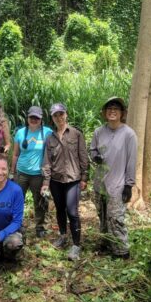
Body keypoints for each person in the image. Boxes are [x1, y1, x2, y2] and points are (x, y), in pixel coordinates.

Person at [90, 97, 137, 259]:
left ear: (122, 113)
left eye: (116, 108)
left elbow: (132, 161)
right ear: (104, 112)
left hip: (117, 184)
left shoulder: (129, 134)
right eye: (109, 108)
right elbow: (93, 150)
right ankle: (106, 243)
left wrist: (129, 186)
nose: (112, 111)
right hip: (100, 183)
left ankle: (121, 251)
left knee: (116, 218)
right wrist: (95, 157)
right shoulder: (98, 132)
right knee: (102, 216)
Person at [41, 103, 88, 261]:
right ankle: (63, 235)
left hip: (73, 179)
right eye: (55, 115)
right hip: (56, 180)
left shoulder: (76, 134)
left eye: (61, 114)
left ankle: (76, 245)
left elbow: (83, 157)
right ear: (52, 118)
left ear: (66, 114)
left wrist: (84, 178)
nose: (59, 117)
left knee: (72, 211)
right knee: (60, 209)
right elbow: (47, 162)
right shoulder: (50, 138)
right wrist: (46, 182)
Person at [11, 106, 54, 238]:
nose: (34, 120)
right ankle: (17, 225)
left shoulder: (47, 132)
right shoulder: (20, 132)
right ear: (27, 118)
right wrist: (12, 172)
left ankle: (40, 227)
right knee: (17, 200)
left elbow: (52, 153)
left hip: (38, 174)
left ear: (41, 119)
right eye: (32, 117)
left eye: (37, 118)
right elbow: (16, 154)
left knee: (40, 201)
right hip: (22, 172)